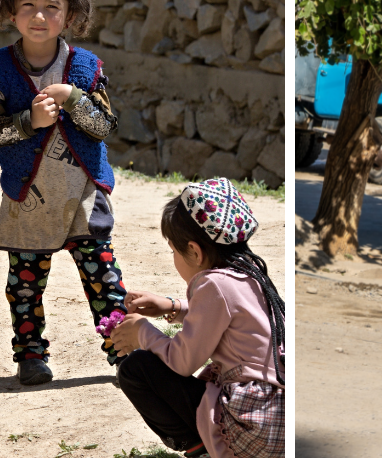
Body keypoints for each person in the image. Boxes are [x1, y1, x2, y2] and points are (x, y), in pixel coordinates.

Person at [0, 0, 125, 385]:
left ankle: (125, 353)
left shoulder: (86, 67)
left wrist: (73, 98)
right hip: (28, 195)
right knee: (25, 282)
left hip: (83, 192)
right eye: (28, 4)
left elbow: (104, 126)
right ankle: (30, 356)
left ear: (70, 14)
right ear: (10, 10)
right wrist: (29, 121)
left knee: (103, 276)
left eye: (52, 6)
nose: (39, 16)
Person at [111, 179, 285, 458]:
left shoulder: (212, 285)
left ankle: (200, 450)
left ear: (194, 251)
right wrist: (172, 307)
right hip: (275, 419)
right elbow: (226, 316)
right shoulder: (249, 271)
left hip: (251, 428)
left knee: (137, 369)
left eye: (174, 251)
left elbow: (182, 362)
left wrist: (142, 332)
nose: (174, 257)